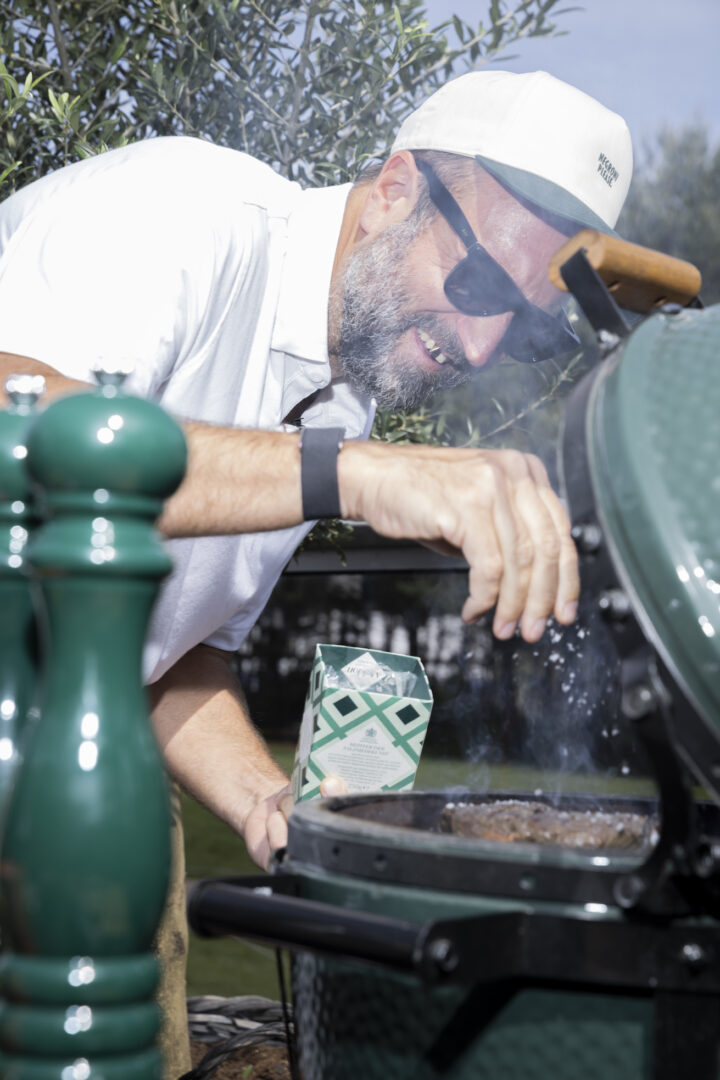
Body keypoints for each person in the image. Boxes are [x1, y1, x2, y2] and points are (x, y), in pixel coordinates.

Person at [0, 67, 632, 1074]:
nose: (480, 344)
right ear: (393, 187)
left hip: (80, 766)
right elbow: (16, 429)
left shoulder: (340, 414)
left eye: (525, 321)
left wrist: (264, 799)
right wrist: (352, 478)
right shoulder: (181, 211)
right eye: (476, 285)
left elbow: (160, 654)